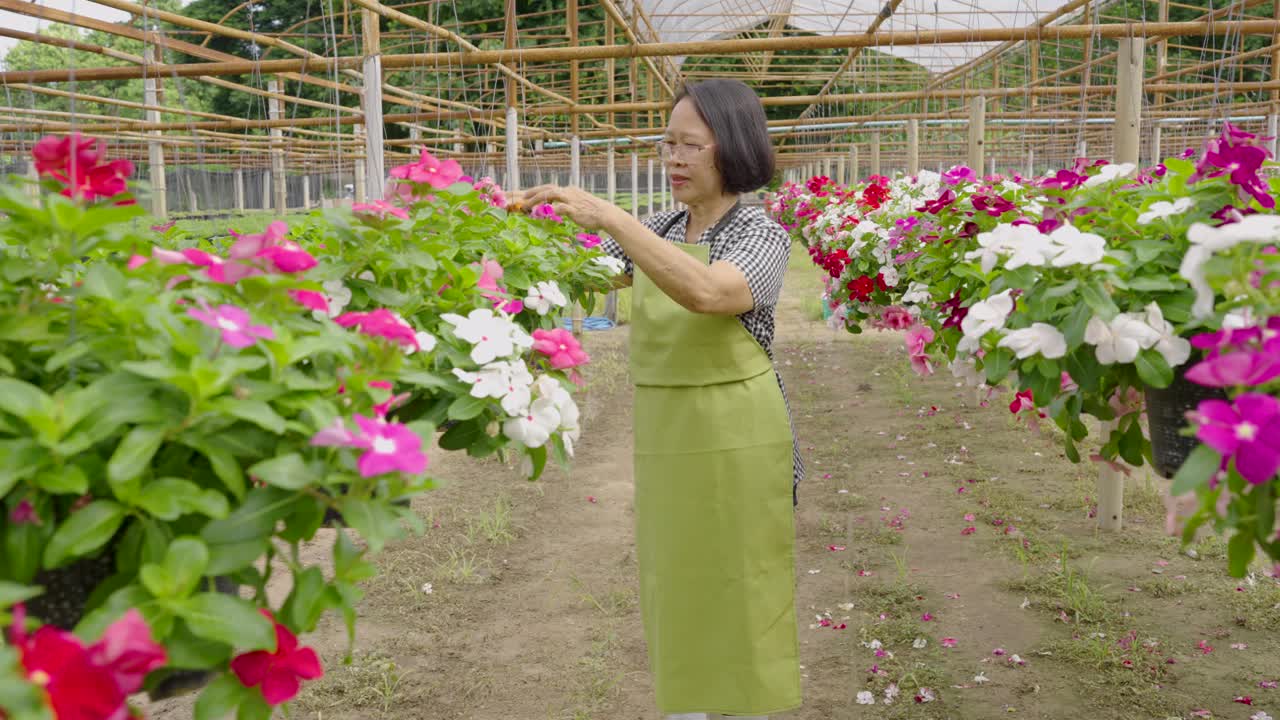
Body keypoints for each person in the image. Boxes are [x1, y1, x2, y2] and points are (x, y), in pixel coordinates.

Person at [514, 78, 803, 720]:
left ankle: (747, 708)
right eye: (666, 143)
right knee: (677, 579)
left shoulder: (759, 233)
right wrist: (511, 235)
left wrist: (611, 216)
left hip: (739, 435)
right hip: (669, 431)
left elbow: (708, 293)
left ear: (731, 148)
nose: (673, 158)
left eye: (689, 145)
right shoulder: (663, 225)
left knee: (742, 583)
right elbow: (579, 272)